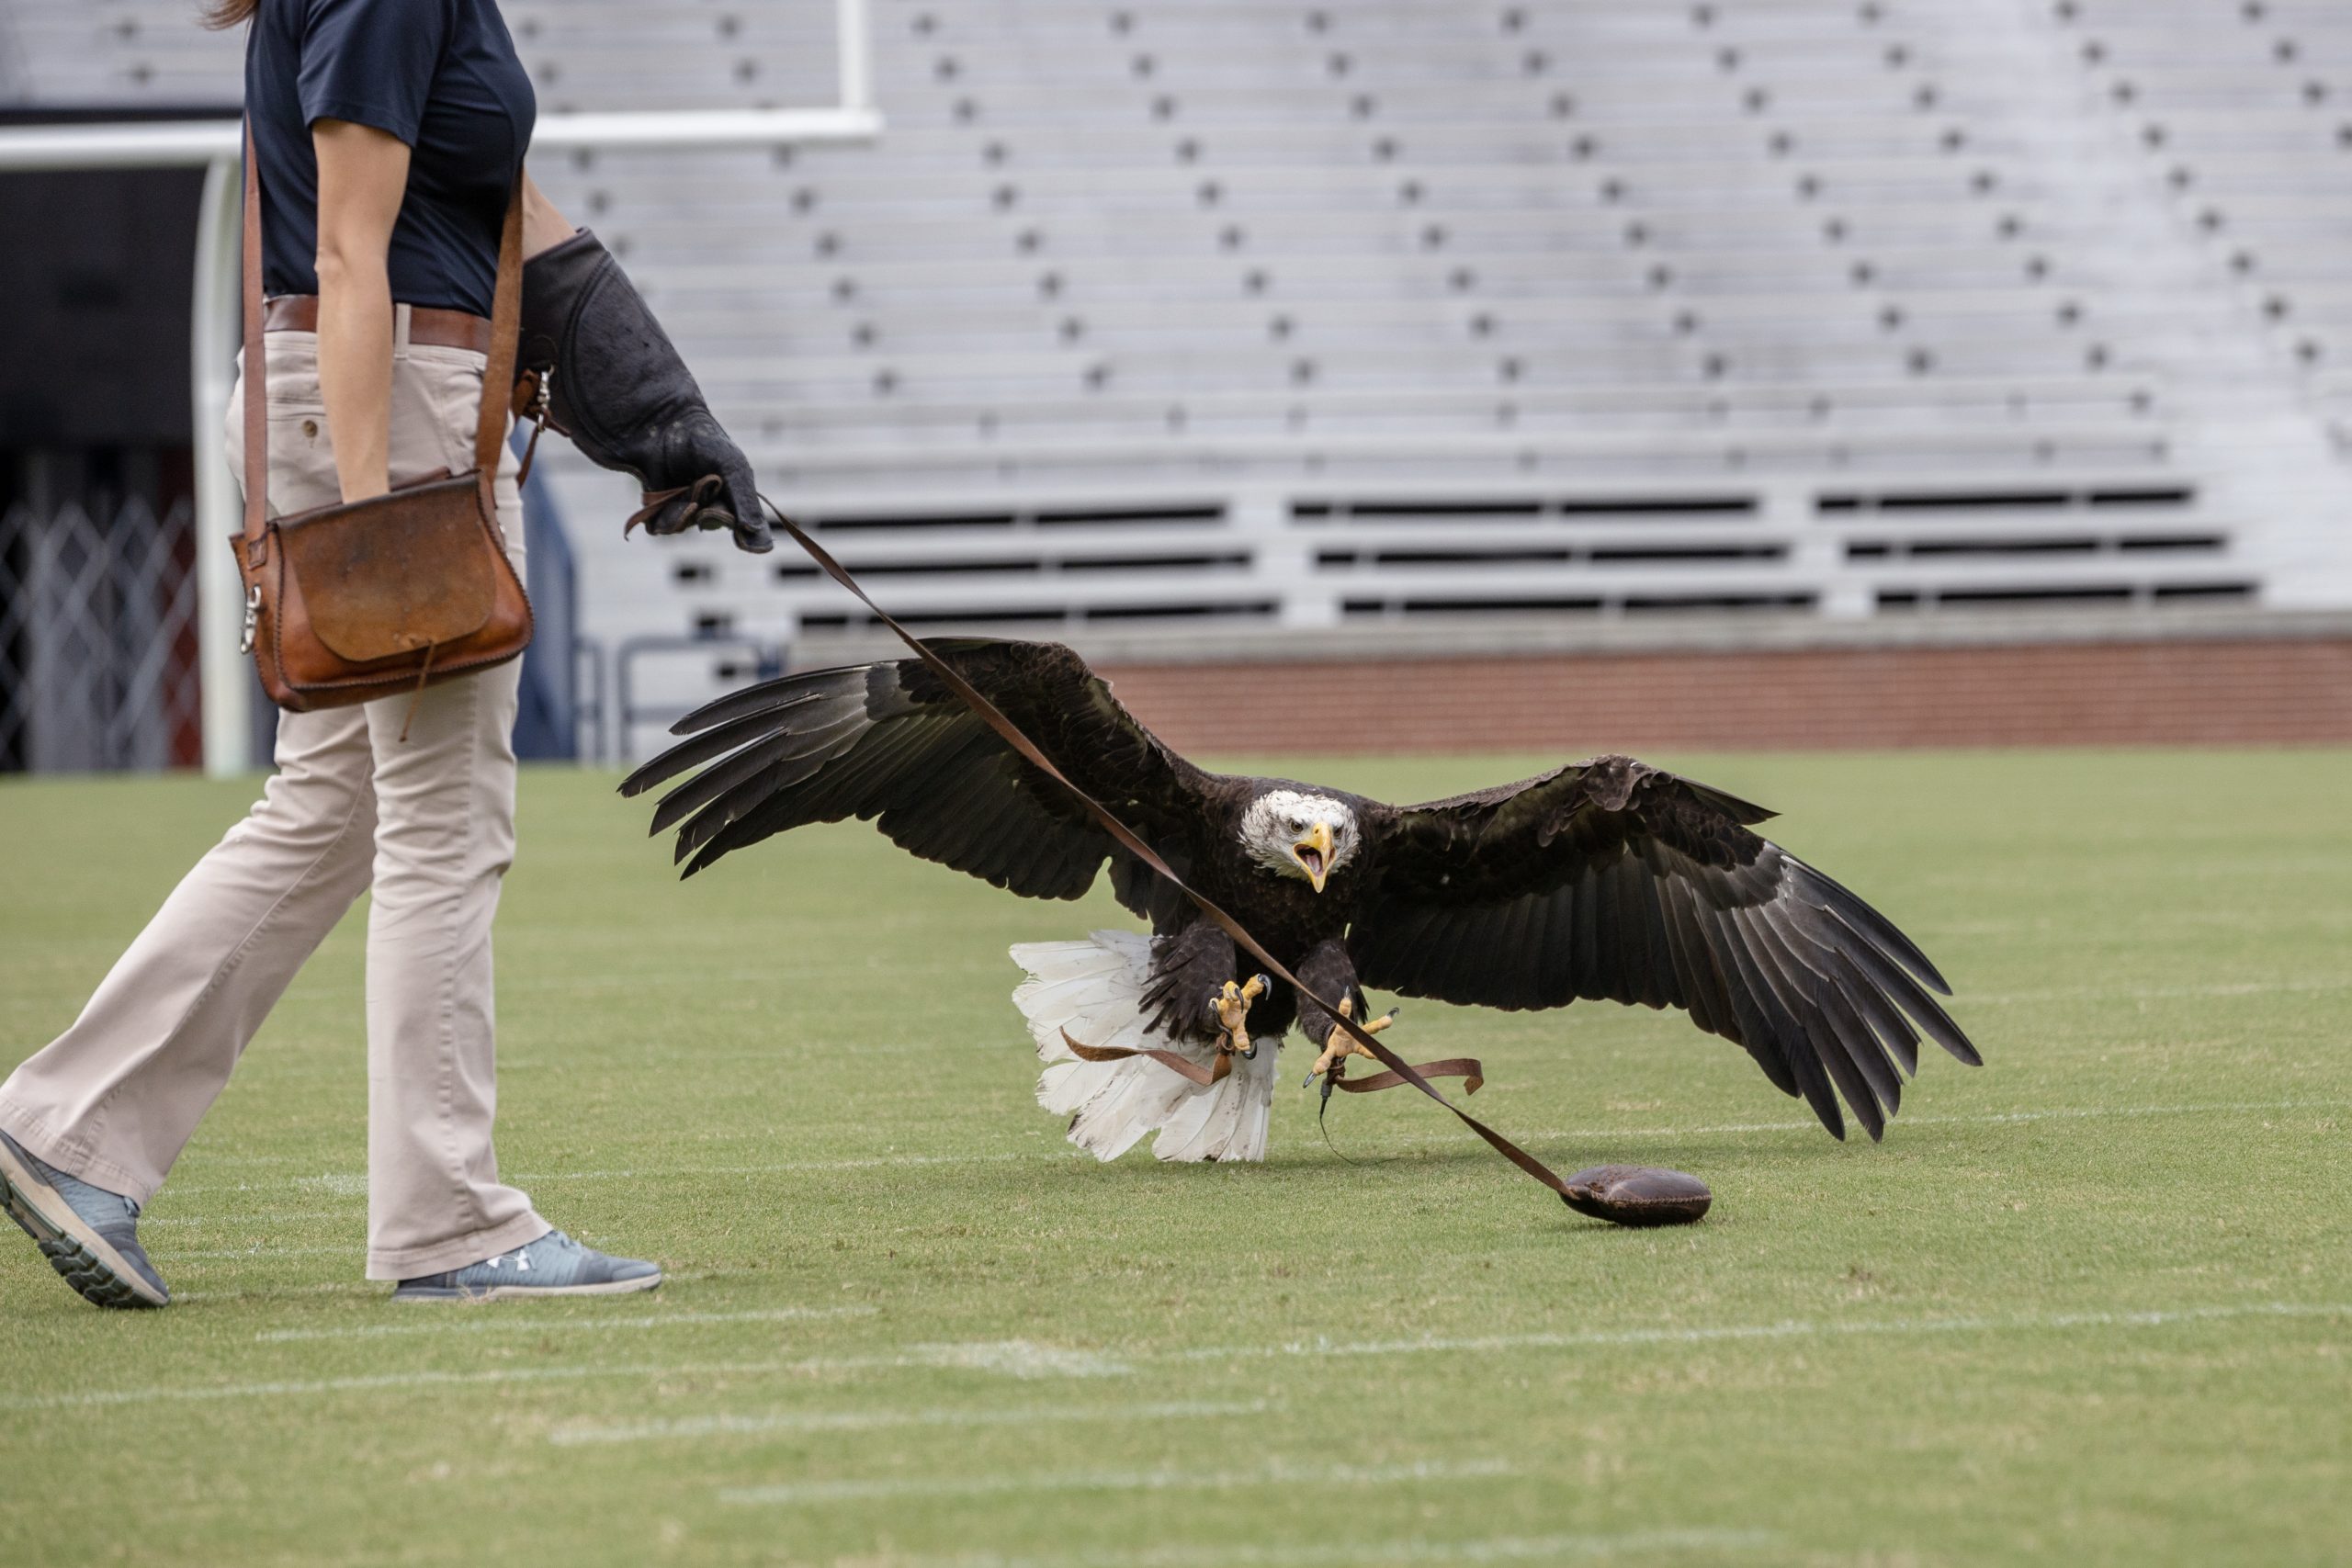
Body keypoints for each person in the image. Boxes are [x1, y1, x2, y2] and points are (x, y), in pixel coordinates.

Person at [0, 0, 768, 1308]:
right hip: (390, 404)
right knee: (441, 821)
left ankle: (68, 1132)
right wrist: (380, 528)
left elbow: (506, 204)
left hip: (386, 390)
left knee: (335, 808)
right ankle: (447, 1221)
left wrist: (660, 414)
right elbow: (352, 255)